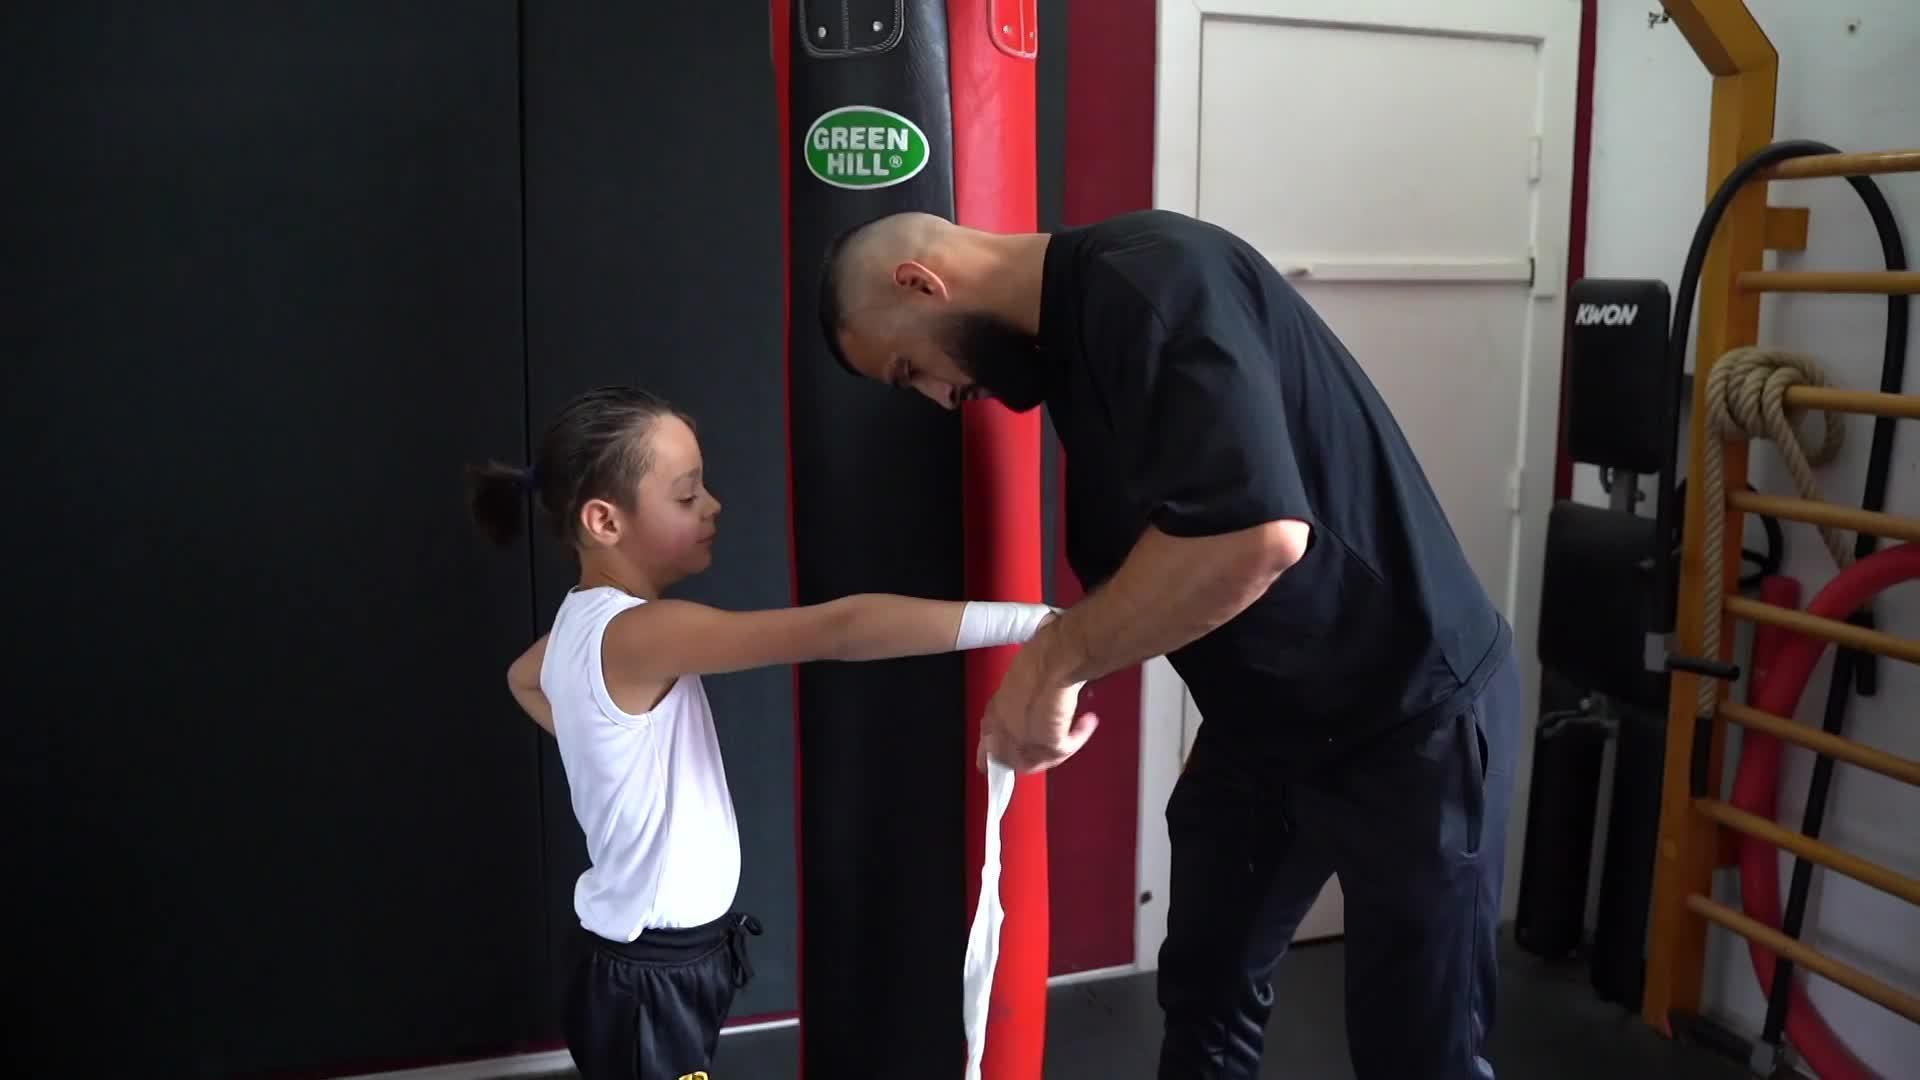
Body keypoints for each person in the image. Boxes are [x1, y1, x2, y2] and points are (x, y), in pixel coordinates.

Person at [815, 209, 1521, 1080]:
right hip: (1268, 730)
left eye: (908, 367)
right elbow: (1173, 548)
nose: (935, 394)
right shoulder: (1072, 344)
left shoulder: (1153, 280)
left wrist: (1057, 661)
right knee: (1206, 990)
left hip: (1411, 714)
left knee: (1420, 1052)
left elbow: (1254, 535)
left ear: (921, 284)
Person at [466, 385, 1054, 1080]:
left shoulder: (579, 625)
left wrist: (599, 747)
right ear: (604, 521)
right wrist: (1033, 622)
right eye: (686, 497)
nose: (712, 505)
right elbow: (840, 630)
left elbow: (521, 677)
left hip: (664, 961)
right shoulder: (638, 632)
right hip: (649, 975)